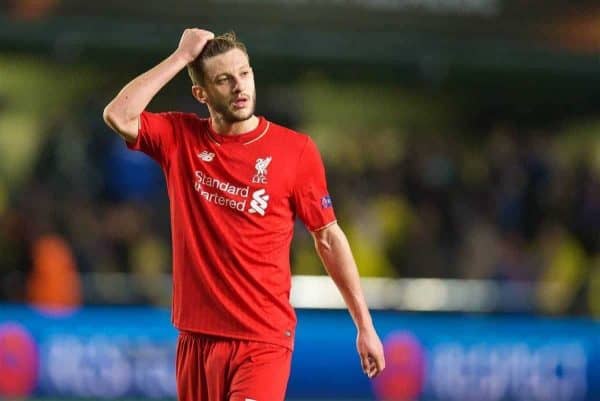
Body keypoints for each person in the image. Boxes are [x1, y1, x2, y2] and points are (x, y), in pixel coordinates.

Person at [103, 28, 385, 401]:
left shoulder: (294, 151)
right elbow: (119, 114)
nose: (239, 86)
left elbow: (328, 237)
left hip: (261, 340)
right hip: (196, 339)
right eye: (224, 79)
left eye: (245, 73)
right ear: (201, 93)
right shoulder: (181, 138)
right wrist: (181, 57)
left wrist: (364, 325)